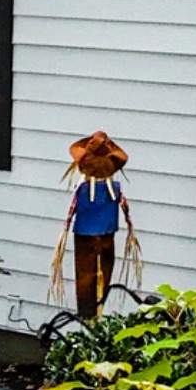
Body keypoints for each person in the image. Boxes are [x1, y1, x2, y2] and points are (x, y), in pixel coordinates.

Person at [51, 130, 137, 319]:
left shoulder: (84, 189)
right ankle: (96, 309)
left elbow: (72, 210)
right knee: (102, 269)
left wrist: (64, 232)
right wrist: (130, 227)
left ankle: (89, 312)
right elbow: (124, 206)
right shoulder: (113, 189)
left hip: (87, 232)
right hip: (106, 231)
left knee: (86, 272)